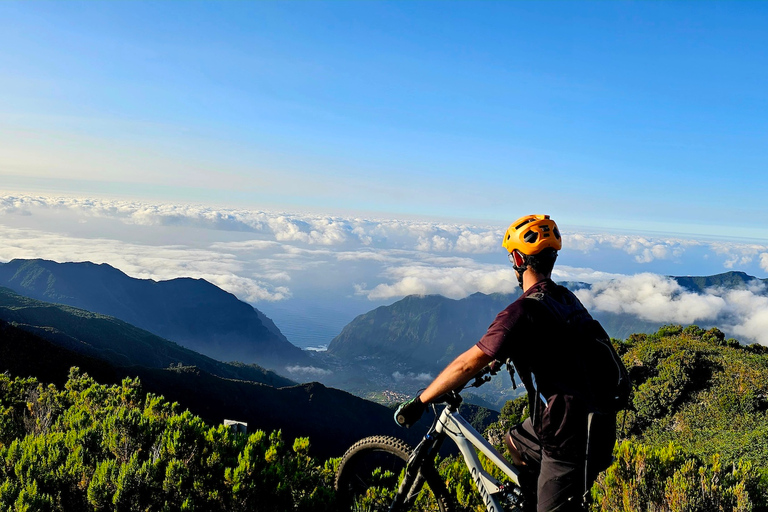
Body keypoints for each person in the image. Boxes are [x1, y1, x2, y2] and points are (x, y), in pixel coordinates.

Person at [394, 214, 617, 512]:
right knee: (516, 441)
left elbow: (466, 364)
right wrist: (506, 354)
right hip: (593, 420)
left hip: (569, 441)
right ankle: (531, 498)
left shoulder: (521, 311)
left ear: (517, 258)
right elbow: (557, 343)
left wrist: (421, 401)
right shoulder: (565, 297)